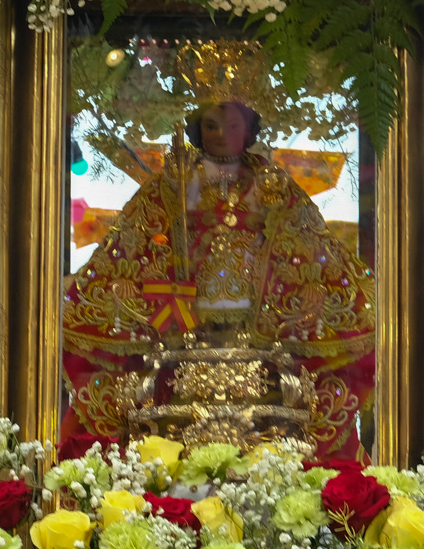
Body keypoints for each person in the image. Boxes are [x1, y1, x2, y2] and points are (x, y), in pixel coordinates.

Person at [61, 98, 375, 458]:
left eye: (233, 127)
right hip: (184, 337)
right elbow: (134, 245)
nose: (223, 136)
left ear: (249, 129)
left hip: (259, 339)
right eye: (212, 126)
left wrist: (310, 288)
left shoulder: (271, 183)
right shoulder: (174, 183)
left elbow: (308, 248)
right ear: (198, 129)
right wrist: (130, 284)